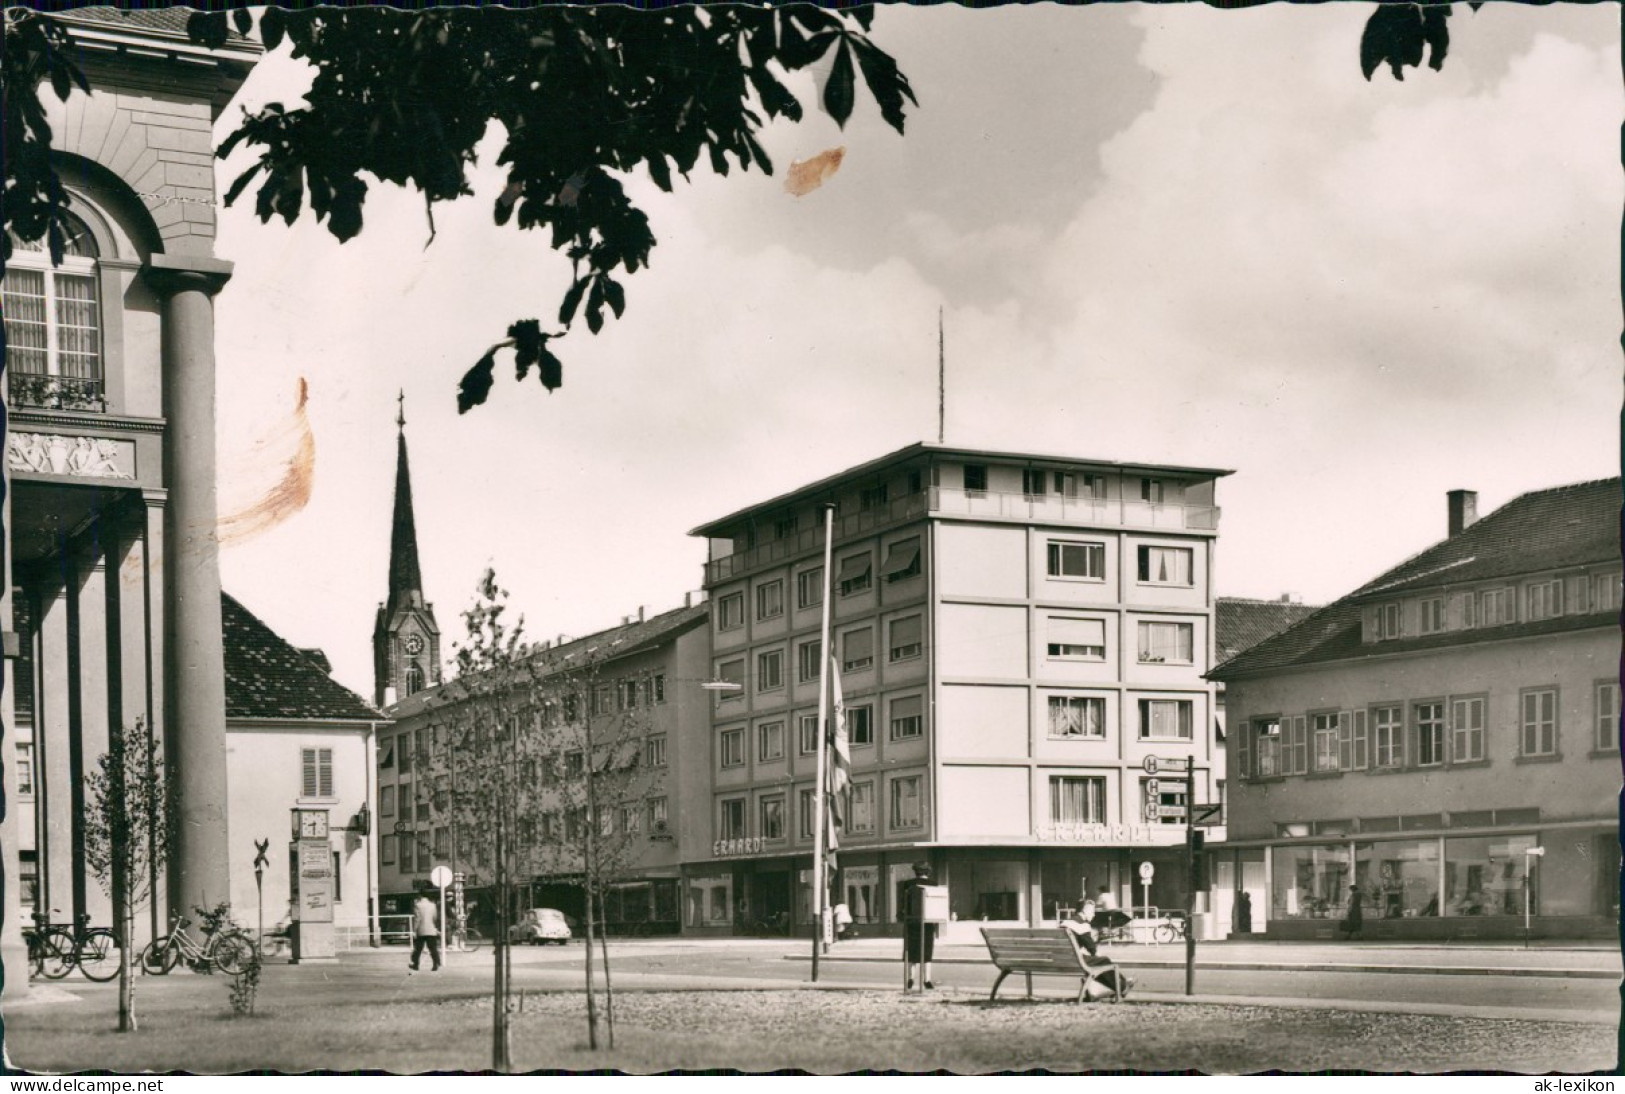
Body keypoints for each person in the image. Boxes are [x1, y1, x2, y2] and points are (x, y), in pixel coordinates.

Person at [901, 861, 937, 990]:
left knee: (912, 951)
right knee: (927, 951)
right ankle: (927, 980)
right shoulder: (933, 885)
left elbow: (903, 905)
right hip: (927, 922)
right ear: (928, 871)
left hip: (912, 922)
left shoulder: (908, 884)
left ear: (915, 871)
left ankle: (911, 978)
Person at [410, 891, 442, 972]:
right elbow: (435, 917)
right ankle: (435, 964)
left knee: (418, 949)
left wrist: (414, 930)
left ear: (420, 896)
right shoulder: (433, 905)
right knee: (433, 948)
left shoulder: (417, 905)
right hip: (431, 930)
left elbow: (417, 919)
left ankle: (416, 965)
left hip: (421, 930)